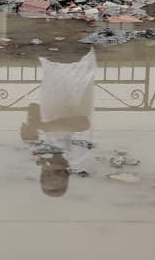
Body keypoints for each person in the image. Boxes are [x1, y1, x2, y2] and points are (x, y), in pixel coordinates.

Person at [20, 50, 97, 197]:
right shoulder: (77, 154)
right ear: (64, 174)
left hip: (50, 65)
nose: (47, 172)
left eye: (44, 176)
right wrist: (42, 127)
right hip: (76, 66)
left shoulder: (44, 150)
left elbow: (34, 107)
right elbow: (82, 123)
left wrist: (31, 130)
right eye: (52, 177)